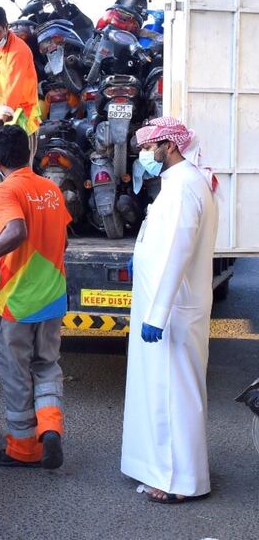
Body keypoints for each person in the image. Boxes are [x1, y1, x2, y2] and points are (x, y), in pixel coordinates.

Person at [0, 125, 70, 469]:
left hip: (18, 300)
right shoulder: (51, 189)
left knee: (16, 374)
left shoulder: (6, 190)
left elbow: (16, 231)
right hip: (52, 295)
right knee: (47, 366)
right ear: (28, 155)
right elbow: (62, 241)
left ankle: (24, 448)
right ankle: (50, 429)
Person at [121, 117, 219, 504]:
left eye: (150, 147)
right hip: (167, 305)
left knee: (174, 393)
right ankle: (162, 467)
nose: (145, 154)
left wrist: (157, 314)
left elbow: (177, 253)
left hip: (172, 309)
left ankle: (179, 480)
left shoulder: (183, 188)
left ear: (170, 146)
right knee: (163, 391)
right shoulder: (179, 183)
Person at [0, 6, 41, 162]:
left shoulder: (18, 51)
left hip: (24, 119)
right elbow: (0, 82)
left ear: (6, 27)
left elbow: (13, 87)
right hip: (5, 117)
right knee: (1, 167)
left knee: (21, 171)